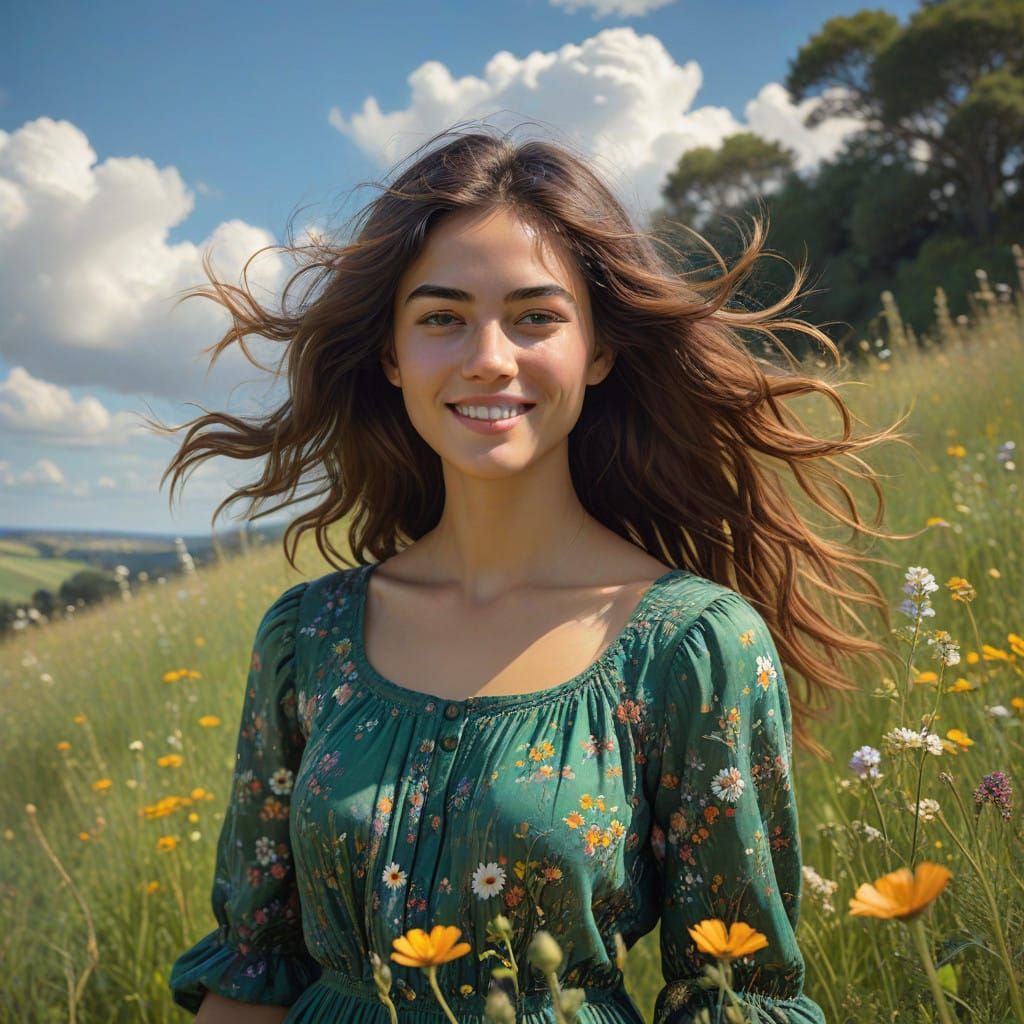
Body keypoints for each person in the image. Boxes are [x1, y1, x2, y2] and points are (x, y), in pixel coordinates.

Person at [152, 122, 910, 1023]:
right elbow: (255, 969)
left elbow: (732, 995)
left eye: (535, 316)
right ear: (392, 355)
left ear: (597, 350)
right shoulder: (306, 638)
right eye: (442, 318)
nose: (488, 357)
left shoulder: (694, 648)